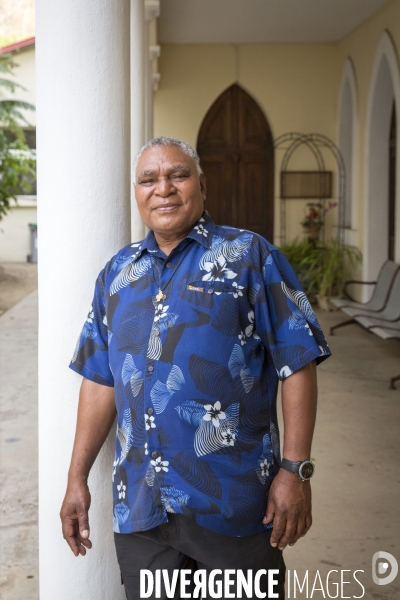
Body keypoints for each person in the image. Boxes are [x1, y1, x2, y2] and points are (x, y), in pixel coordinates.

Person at [60, 136, 331, 599]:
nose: (163, 188)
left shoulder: (251, 257)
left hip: (235, 508)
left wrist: (295, 471)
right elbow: (100, 379)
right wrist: (75, 478)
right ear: (137, 193)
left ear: (201, 185)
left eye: (177, 175)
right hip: (144, 512)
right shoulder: (117, 273)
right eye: (149, 179)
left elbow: (298, 363)